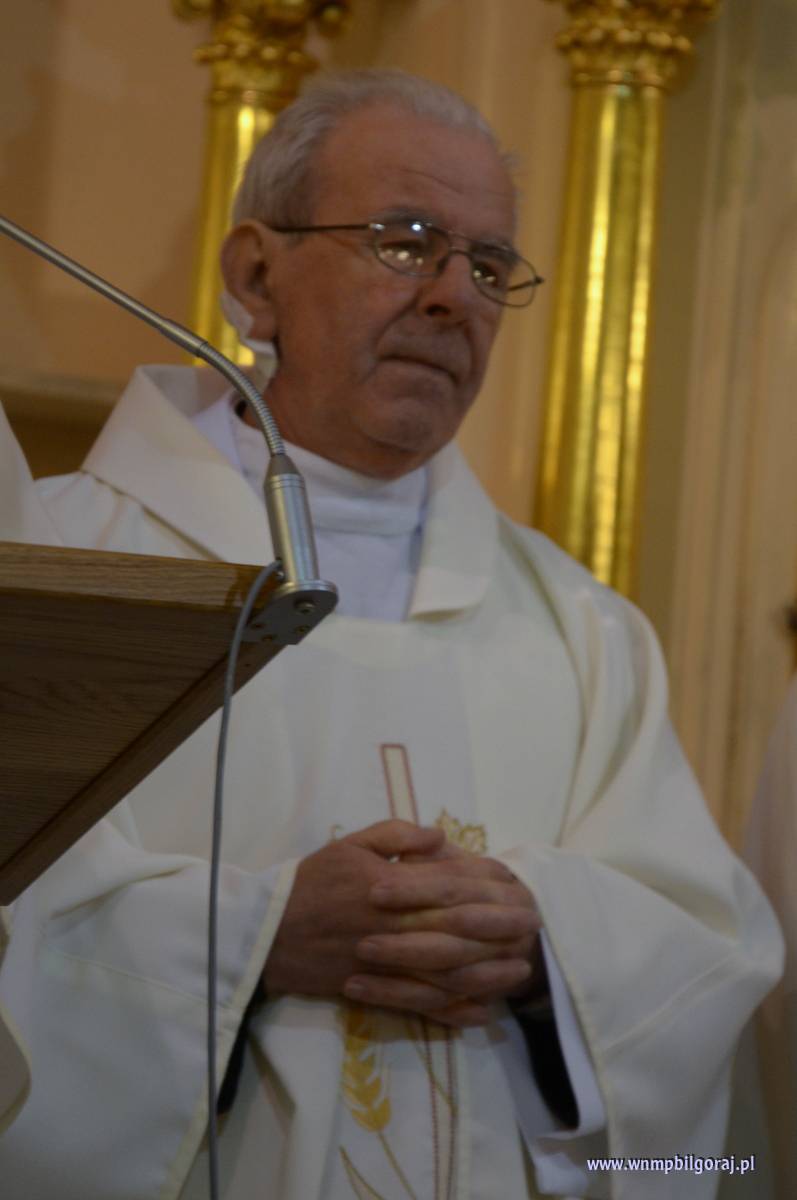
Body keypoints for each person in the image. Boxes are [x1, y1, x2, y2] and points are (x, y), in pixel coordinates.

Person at [0, 69, 784, 1200]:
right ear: (254, 277)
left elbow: (704, 950)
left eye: (488, 266)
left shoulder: (581, 630)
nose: (454, 297)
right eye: (405, 241)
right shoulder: (62, 570)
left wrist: (543, 946)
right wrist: (254, 937)